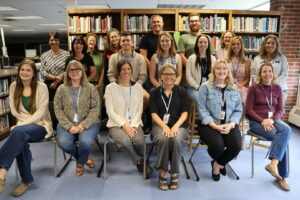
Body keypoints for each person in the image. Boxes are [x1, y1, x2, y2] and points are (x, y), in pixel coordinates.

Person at [0, 59, 53, 197]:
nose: (24, 72)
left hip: (41, 126)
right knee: (20, 136)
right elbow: (14, 111)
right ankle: (26, 180)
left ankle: (2, 172)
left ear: (34, 73)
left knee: (18, 132)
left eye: (28, 70)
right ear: (18, 72)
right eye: (22, 69)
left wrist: (24, 124)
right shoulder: (13, 86)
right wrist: (26, 124)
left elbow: (41, 112)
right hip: (25, 126)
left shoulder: (42, 87)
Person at [246, 63, 291, 191]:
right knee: (282, 138)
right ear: (260, 74)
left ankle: (273, 163)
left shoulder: (277, 88)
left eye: (270, 71)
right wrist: (262, 121)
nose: (267, 74)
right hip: (257, 122)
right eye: (264, 71)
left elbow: (281, 109)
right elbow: (248, 110)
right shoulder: (254, 88)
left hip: (273, 120)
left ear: (273, 73)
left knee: (286, 130)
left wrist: (271, 120)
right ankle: (283, 177)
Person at [105, 60, 152, 175]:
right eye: (123, 69)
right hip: (116, 125)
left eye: (129, 69)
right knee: (126, 141)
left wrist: (132, 125)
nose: (127, 71)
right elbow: (110, 111)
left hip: (134, 123)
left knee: (139, 142)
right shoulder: (110, 88)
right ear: (118, 71)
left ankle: (142, 162)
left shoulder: (137, 87)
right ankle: (139, 161)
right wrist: (124, 125)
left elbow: (139, 110)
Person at [197, 59, 242, 181]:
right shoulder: (205, 87)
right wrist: (215, 126)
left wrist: (231, 125)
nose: (221, 71)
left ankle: (217, 164)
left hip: (228, 123)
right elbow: (202, 110)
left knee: (237, 146)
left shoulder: (234, 88)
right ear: (214, 71)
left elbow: (238, 110)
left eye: (224, 68)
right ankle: (219, 164)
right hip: (209, 124)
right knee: (217, 146)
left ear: (228, 71)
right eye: (218, 68)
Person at [54, 60, 100, 176]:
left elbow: (95, 110)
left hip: (89, 123)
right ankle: (84, 156)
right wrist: (69, 126)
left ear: (82, 71)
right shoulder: (61, 89)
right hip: (67, 123)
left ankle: (80, 163)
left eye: (77, 69)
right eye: (71, 70)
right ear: (67, 72)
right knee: (63, 143)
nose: (75, 72)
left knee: (85, 142)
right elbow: (58, 109)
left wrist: (83, 125)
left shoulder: (91, 88)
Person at [149, 65, 188, 190]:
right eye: (165, 74)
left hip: (178, 125)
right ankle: (163, 172)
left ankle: (175, 173)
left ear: (176, 77)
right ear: (161, 77)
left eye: (172, 74)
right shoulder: (154, 92)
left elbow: (185, 113)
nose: (169, 77)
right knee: (164, 138)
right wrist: (164, 126)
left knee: (176, 139)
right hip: (160, 124)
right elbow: (153, 114)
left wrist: (175, 126)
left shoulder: (181, 91)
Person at [252, 35, 289, 100]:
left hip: (278, 90)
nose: (270, 45)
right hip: (261, 90)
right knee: (262, 109)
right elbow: (253, 74)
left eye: (273, 43)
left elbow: (284, 74)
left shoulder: (282, 58)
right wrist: (262, 85)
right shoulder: (257, 59)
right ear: (264, 45)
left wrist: (271, 84)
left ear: (276, 45)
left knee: (277, 109)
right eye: (268, 43)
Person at [186, 34, 216, 103]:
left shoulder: (213, 59)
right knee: (201, 98)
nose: (203, 44)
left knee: (214, 98)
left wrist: (208, 88)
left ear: (208, 44)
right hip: (194, 88)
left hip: (209, 88)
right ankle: (205, 114)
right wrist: (198, 87)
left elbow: (214, 75)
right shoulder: (191, 58)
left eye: (205, 42)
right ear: (197, 44)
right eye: (200, 42)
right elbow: (188, 77)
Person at [40, 32, 70, 101]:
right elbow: (42, 72)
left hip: (63, 84)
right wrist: (56, 78)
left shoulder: (66, 55)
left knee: (63, 105)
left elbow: (68, 70)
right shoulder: (44, 55)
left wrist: (57, 82)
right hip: (49, 86)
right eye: (51, 40)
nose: (54, 42)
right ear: (49, 41)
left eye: (56, 40)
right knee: (50, 106)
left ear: (59, 41)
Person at [226, 36, 250, 104]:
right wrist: (232, 85)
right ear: (231, 46)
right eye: (233, 44)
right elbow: (224, 76)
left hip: (242, 85)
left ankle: (242, 114)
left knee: (241, 94)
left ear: (241, 45)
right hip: (229, 85)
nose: (235, 46)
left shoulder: (246, 61)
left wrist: (238, 85)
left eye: (238, 44)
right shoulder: (226, 60)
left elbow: (247, 78)